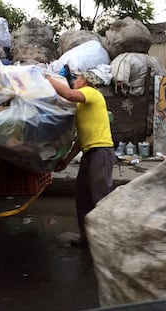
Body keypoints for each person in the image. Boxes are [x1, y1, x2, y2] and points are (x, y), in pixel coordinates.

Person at [45, 71, 115, 246]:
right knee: (83, 198)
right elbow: (80, 140)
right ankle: (87, 238)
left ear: (85, 81)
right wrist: (67, 160)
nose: (74, 81)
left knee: (100, 197)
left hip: (101, 152)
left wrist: (45, 78)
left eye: (77, 78)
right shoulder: (81, 107)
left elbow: (67, 94)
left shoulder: (91, 93)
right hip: (89, 153)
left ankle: (107, 242)